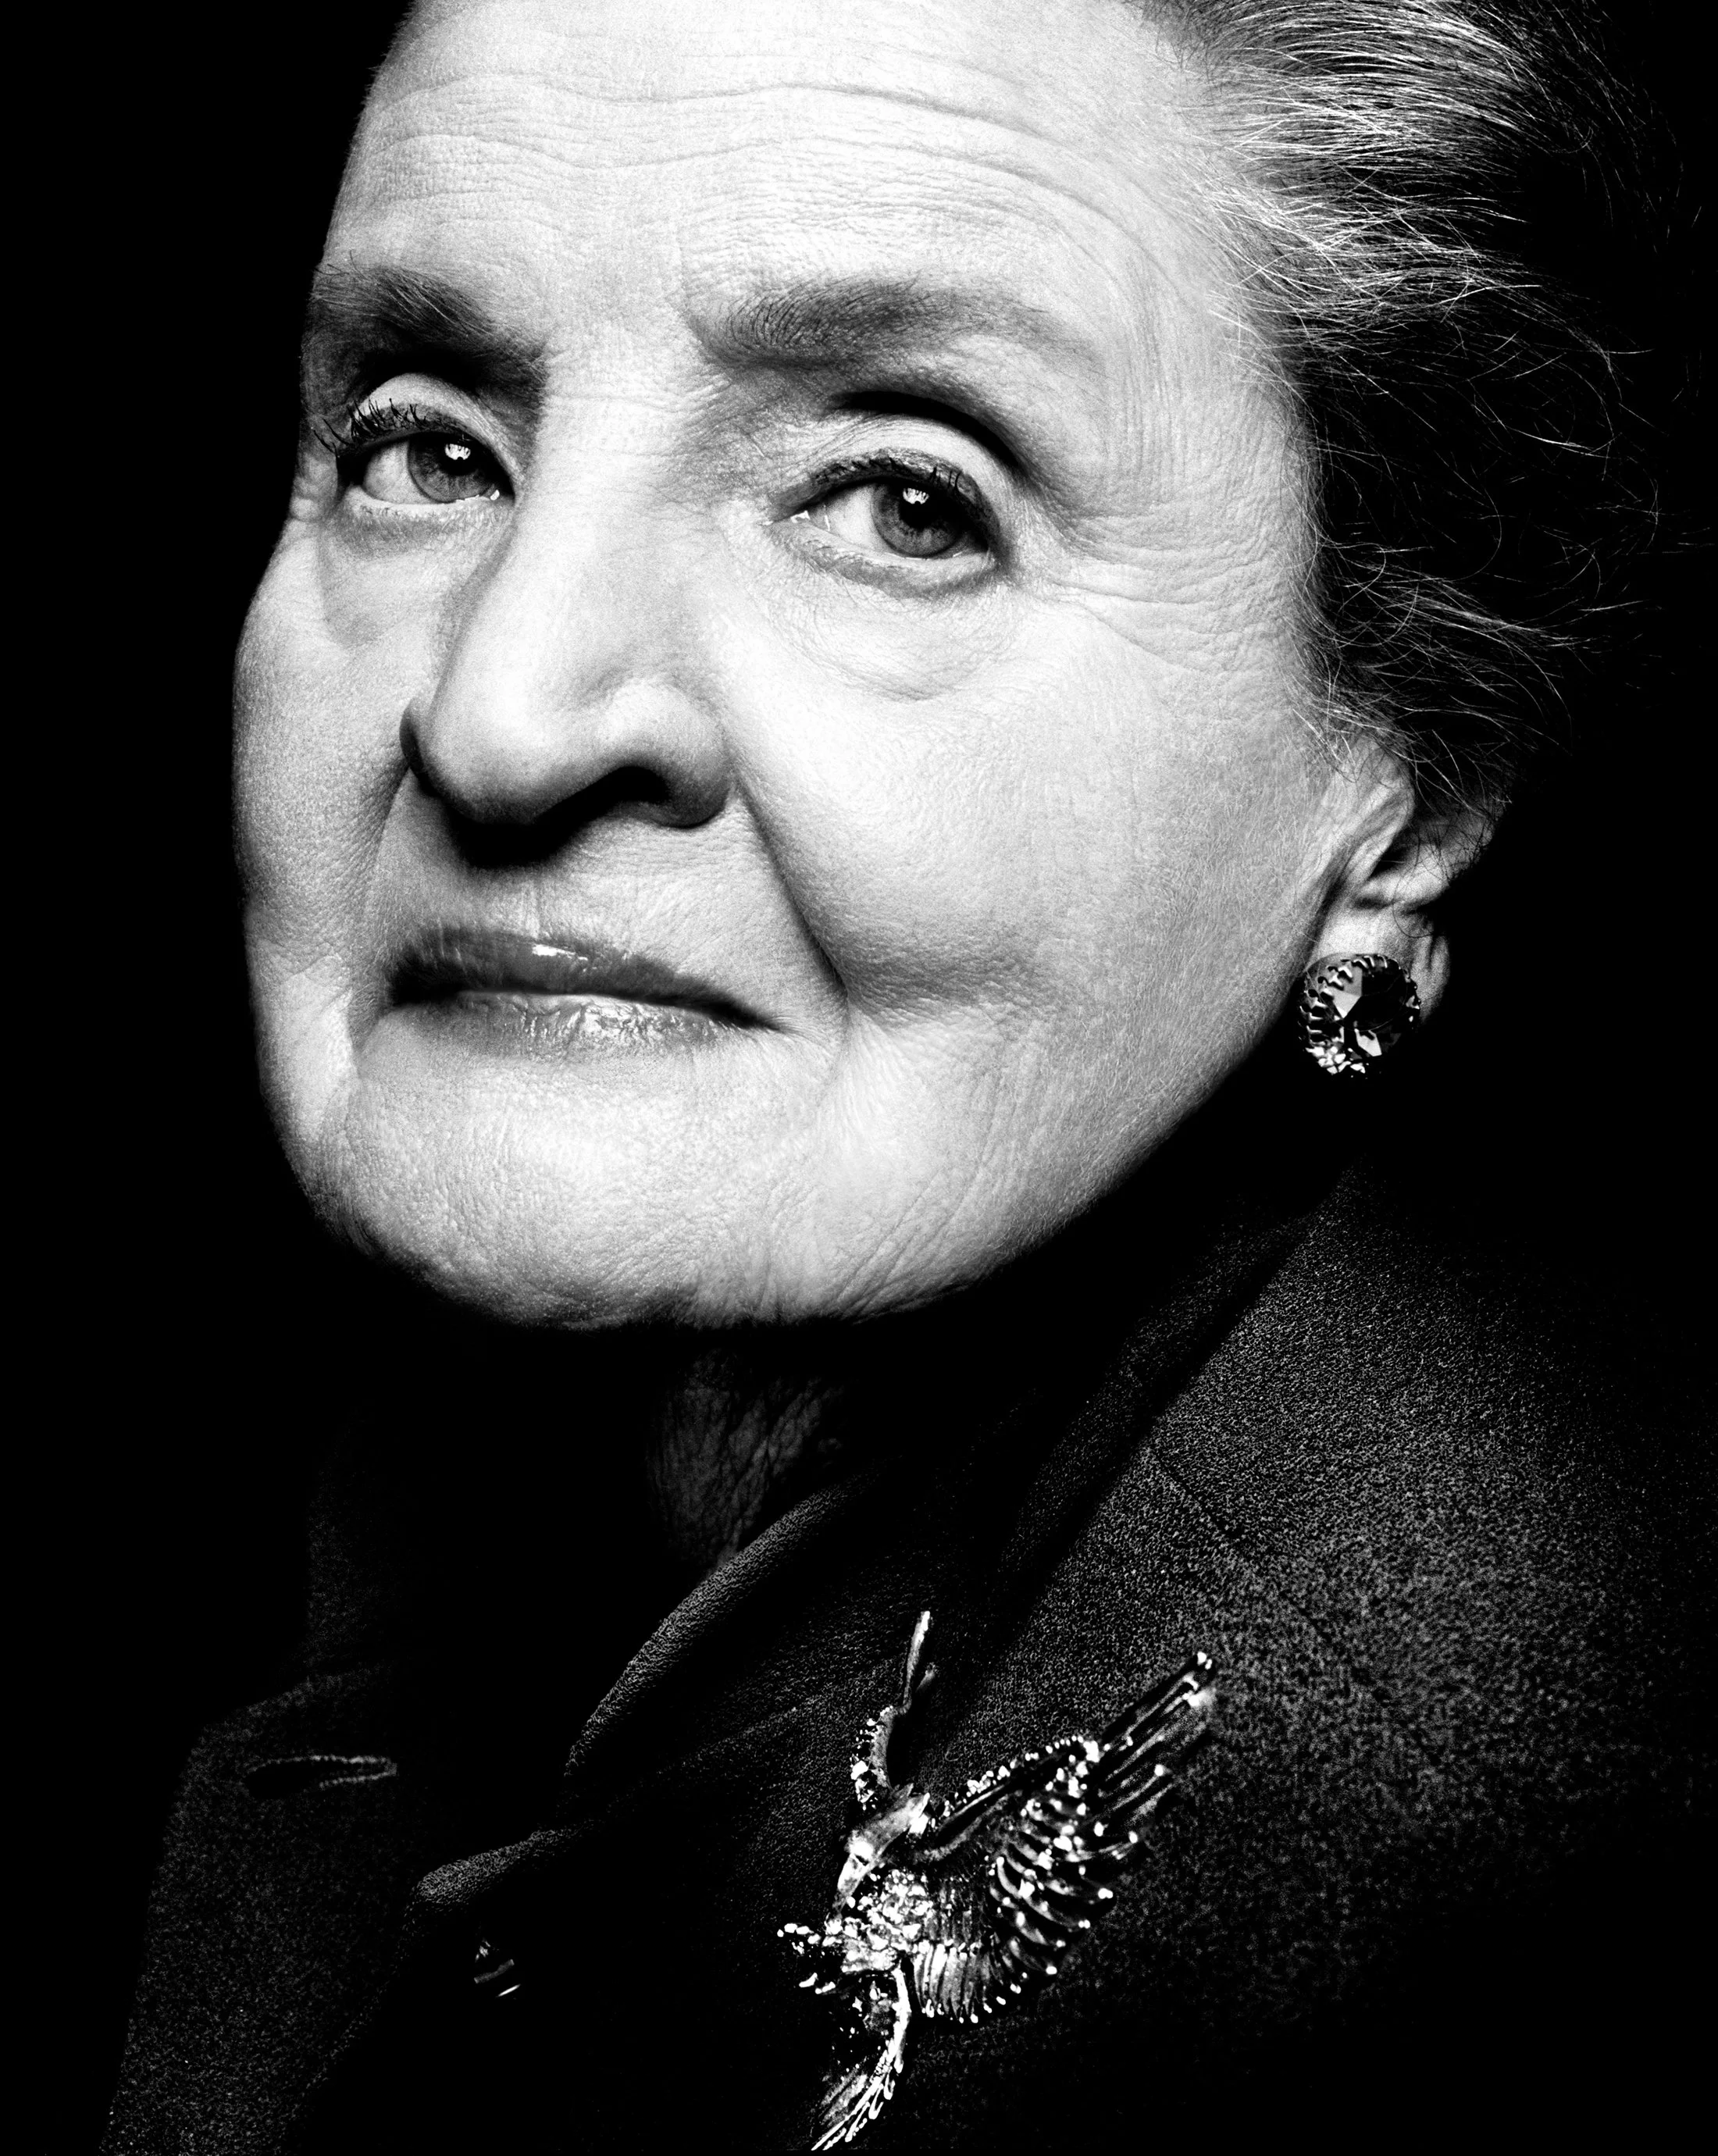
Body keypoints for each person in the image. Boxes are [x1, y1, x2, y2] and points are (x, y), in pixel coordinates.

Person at [105, 0, 1706, 2147]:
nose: (500, 715)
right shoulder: (392, 1528)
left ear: (1410, 769)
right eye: (429, 449)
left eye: (901, 502)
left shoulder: (1463, 1877)